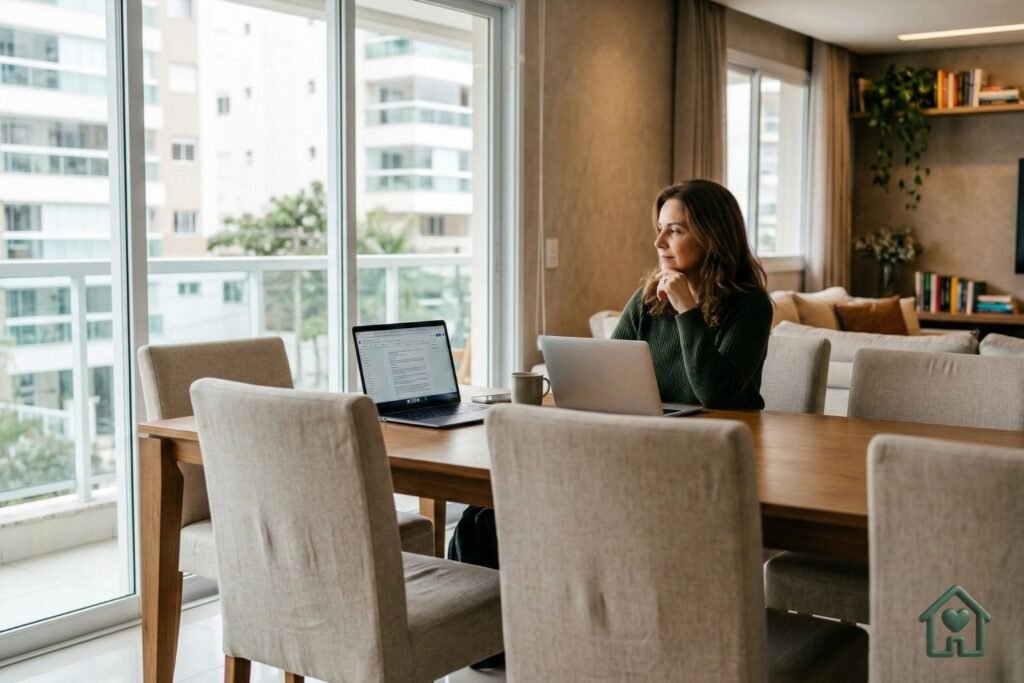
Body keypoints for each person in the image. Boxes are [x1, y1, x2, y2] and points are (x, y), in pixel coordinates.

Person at [611, 179, 772, 409]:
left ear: (711, 237)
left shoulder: (751, 306)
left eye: (674, 230)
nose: (658, 242)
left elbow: (715, 395)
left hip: (728, 428)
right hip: (658, 427)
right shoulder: (648, 298)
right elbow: (609, 371)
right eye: (660, 229)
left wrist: (686, 309)